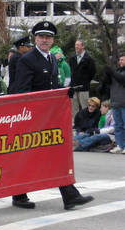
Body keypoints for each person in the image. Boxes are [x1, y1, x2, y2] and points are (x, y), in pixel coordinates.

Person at [11, 20, 94, 210]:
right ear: (35, 38)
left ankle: (68, 195)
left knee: (52, 155)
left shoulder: (52, 59)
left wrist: (64, 92)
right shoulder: (27, 60)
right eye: (41, 37)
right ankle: (20, 194)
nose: (45, 40)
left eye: (48, 37)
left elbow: (52, 87)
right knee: (32, 156)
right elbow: (23, 92)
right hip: (34, 118)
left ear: (53, 39)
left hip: (49, 118)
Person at [69, 40, 96, 120]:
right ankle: (76, 123)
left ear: (83, 46)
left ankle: (86, 123)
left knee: (85, 106)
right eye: (75, 45)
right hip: (74, 86)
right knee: (74, 107)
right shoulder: (72, 58)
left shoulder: (89, 59)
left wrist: (85, 81)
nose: (76, 47)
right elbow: (72, 71)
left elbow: (92, 72)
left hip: (84, 87)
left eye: (78, 45)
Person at [103, 53, 125, 154]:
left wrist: (112, 72)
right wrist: (107, 74)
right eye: (120, 60)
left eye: (123, 60)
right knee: (118, 126)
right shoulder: (117, 72)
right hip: (116, 102)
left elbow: (122, 79)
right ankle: (120, 145)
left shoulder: (119, 73)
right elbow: (108, 83)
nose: (121, 62)